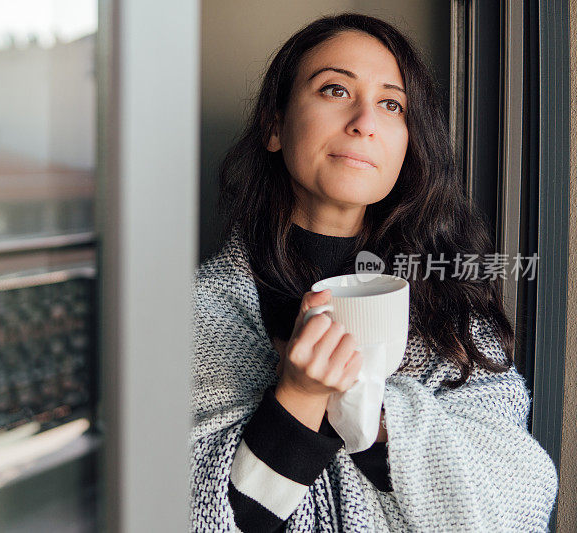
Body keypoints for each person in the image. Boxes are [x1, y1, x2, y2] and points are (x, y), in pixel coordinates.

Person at [191, 12, 559, 532]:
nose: (365, 120)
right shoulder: (199, 312)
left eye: (391, 104)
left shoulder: (453, 307)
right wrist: (298, 395)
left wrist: (378, 418)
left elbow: (519, 497)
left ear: (408, 142)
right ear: (275, 126)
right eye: (335, 90)